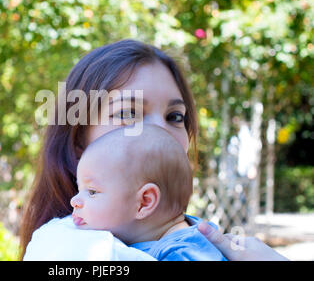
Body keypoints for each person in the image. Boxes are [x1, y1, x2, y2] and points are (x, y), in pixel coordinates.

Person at [19, 39, 288, 261]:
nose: (161, 131)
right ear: (78, 140)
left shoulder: (201, 242)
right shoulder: (67, 248)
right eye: (128, 114)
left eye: (175, 117)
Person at [70, 124, 227, 261]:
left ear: (144, 202)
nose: (74, 201)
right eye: (79, 189)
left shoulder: (183, 253)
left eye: (91, 192)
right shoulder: (165, 237)